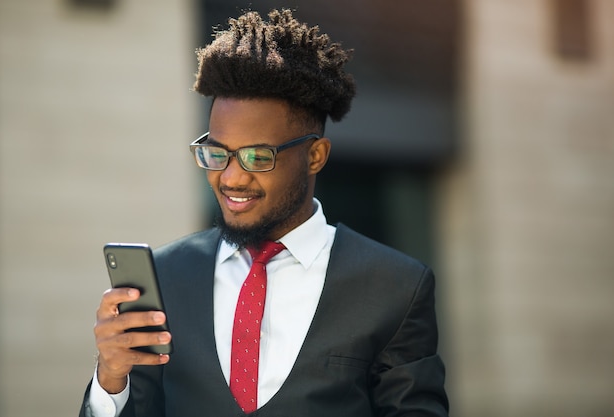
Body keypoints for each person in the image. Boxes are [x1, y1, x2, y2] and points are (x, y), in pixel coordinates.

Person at [80, 8, 449, 417]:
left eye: (258, 156)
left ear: (315, 156)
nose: (231, 178)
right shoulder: (166, 277)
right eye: (217, 153)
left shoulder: (394, 286)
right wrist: (111, 379)